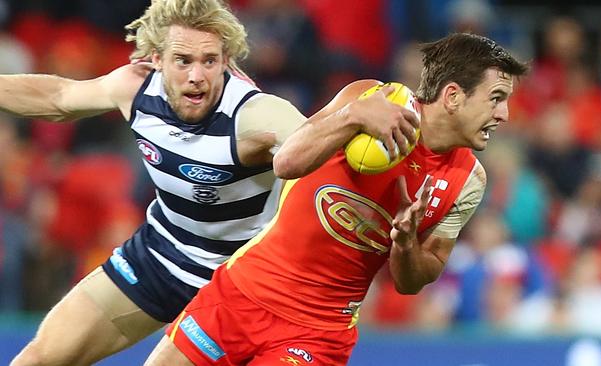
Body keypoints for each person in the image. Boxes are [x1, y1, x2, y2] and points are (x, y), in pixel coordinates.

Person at [6, 1, 419, 365]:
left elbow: (312, 147)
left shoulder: (254, 115)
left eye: (210, 60)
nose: (197, 76)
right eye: (183, 60)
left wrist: (351, 119)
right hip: (158, 257)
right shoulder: (134, 87)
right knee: (39, 358)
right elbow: (58, 98)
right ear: (155, 60)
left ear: (227, 61)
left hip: (239, 287)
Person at [144, 32, 529, 366]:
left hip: (317, 334)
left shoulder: (468, 181)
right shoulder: (370, 97)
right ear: (452, 96)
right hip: (242, 293)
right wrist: (352, 116)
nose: (505, 114)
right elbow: (287, 162)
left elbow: (413, 281)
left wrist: (406, 243)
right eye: (495, 98)